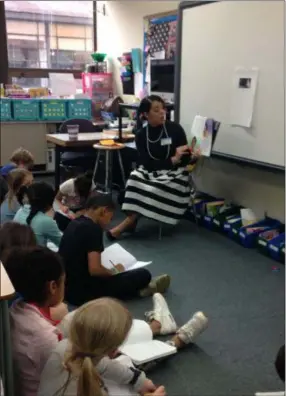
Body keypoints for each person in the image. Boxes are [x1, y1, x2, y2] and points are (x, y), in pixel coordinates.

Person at [6, 247, 208, 396]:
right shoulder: (52, 348)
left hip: (66, 367)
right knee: (125, 364)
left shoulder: (18, 309)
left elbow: (91, 358)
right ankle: (175, 341)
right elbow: (95, 365)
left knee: (104, 333)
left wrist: (134, 378)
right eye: (63, 282)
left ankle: (158, 326)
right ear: (52, 286)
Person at [38, 297, 208, 396]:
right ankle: (176, 342)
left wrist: (138, 380)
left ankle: (173, 340)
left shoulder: (66, 347)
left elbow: (105, 365)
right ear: (113, 350)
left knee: (123, 368)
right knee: (126, 362)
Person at [107, 95, 199, 240]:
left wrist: (191, 156)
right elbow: (147, 164)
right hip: (152, 170)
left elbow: (185, 159)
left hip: (175, 173)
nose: (162, 112)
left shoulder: (175, 129)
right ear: (145, 114)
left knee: (156, 186)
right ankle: (132, 219)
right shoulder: (141, 135)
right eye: (156, 110)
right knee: (134, 178)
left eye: (163, 108)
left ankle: (129, 222)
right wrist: (172, 159)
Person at [59, 193, 170, 306]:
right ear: (104, 211)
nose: (109, 222)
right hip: (82, 293)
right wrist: (114, 271)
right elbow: (95, 270)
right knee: (143, 274)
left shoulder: (74, 223)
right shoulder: (93, 229)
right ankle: (140, 290)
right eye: (110, 218)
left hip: (65, 289)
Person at [14, 182, 62, 248]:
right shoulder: (45, 221)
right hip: (35, 256)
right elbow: (63, 244)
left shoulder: (20, 211)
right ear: (50, 201)